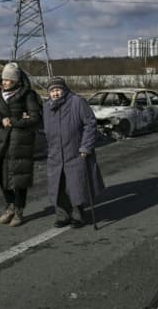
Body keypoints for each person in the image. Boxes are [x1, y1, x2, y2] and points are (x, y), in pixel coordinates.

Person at [0, 62, 42, 227]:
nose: (4, 83)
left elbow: (35, 118)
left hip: (20, 141)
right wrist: (1, 120)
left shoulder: (28, 95)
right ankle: (9, 206)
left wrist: (14, 121)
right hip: (1, 140)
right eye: (3, 80)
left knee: (19, 178)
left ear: (16, 81)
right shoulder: (0, 94)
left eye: (8, 80)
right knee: (1, 174)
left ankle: (19, 211)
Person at [43, 76, 105, 229]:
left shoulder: (77, 102)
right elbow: (41, 126)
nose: (55, 93)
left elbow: (90, 124)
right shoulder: (46, 107)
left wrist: (85, 147)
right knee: (58, 186)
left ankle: (78, 216)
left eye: (58, 90)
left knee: (75, 186)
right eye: (52, 91)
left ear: (64, 89)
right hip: (55, 154)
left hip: (75, 151)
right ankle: (62, 216)